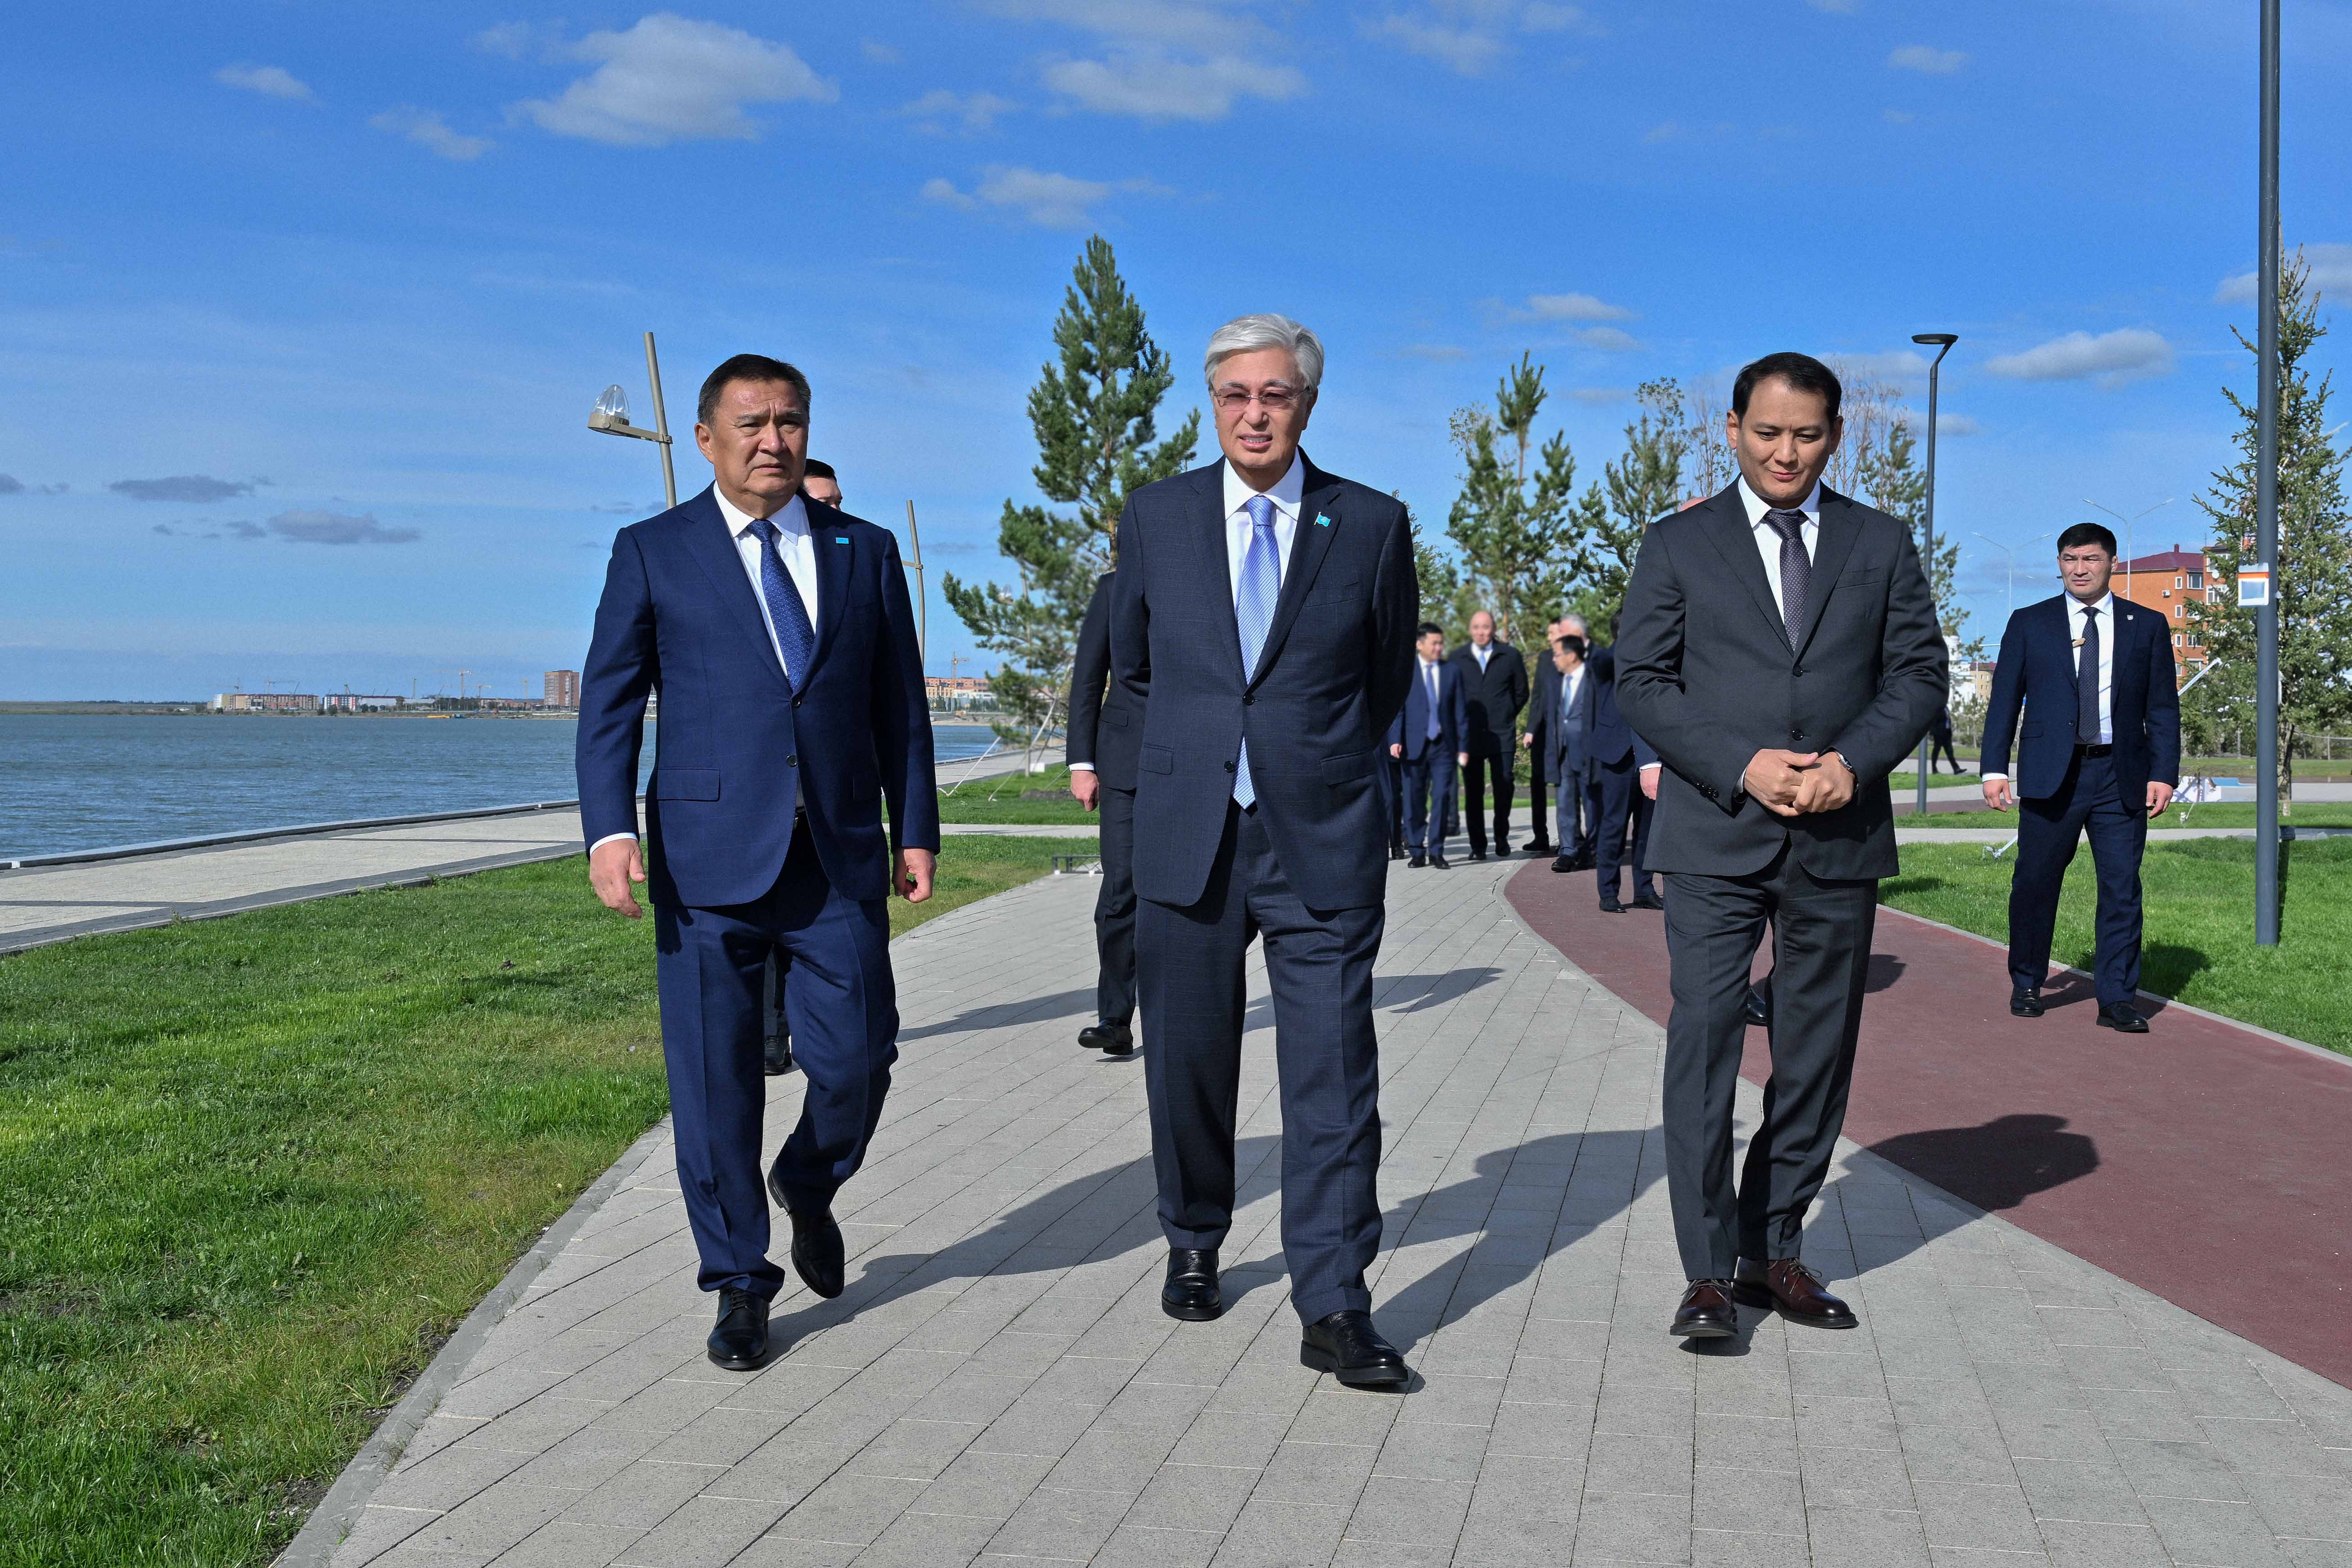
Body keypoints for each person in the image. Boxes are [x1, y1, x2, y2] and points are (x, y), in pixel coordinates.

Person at [577, 354, 937, 1372]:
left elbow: (899, 704)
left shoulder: (864, 551)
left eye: (789, 420)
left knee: (861, 1055)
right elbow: (609, 700)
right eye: (752, 422)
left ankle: (809, 1180)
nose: (773, 439)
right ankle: (738, 1281)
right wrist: (608, 830)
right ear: (707, 439)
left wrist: (915, 826)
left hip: (836, 855)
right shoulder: (653, 550)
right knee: (714, 1083)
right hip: (704, 859)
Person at [1109, 313, 1418, 1389]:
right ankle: (1194, 1234)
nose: (1254, 413)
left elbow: (1383, 673)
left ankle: (1332, 1300)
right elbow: (1135, 668)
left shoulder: (1369, 523)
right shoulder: (1156, 516)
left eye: (1274, 395)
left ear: (1306, 405)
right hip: (1188, 830)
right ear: (1212, 403)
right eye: (1235, 394)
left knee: (1332, 1074)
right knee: (1188, 1057)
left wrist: (1310, 757)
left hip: (1318, 835)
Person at [1617, 351, 1945, 1341]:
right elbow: (1643, 680)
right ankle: (1707, 1272)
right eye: (1767, 432)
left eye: (1806, 435)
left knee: (1815, 1051)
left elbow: (1919, 675)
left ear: (1836, 435)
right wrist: (1741, 764)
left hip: (1839, 836)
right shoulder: (1678, 543)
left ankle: (1773, 1247)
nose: (1786, 452)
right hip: (1714, 833)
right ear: (1733, 430)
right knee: (1706, 1035)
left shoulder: (1881, 542)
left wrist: (1854, 762)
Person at [1980, 524, 2179, 1031]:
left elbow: (2162, 707)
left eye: (2090, 559)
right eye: (2070, 559)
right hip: (2053, 774)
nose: (2080, 568)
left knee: (2121, 887)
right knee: (2035, 881)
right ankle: (2028, 981)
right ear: (2060, 564)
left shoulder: (2147, 624)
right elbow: (2004, 701)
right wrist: (1994, 768)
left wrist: (2164, 773)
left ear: (2112, 563)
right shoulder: (2030, 622)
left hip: (2121, 774)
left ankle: (2117, 999)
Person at [763, 458, 849, 1079]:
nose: (833, 510)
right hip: (757, 801)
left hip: (833, 809)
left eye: (839, 500)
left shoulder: (854, 561)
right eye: (824, 499)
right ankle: (772, 1035)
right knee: (764, 937)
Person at [1067, 570, 1141, 1055]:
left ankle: (1181, 1010)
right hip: (1125, 763)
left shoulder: (1210, 577)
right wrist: (1082, 763)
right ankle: (1115, 1018)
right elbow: (1089, 679)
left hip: (1198, 764)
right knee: (1120, 889)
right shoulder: (1114, 588)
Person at [1586, 619, 1664, 912]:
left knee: (1647, 829)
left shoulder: (1654, 657)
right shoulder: (1608, 659)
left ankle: (1644, 889)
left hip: (1652, 756)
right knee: (1613, 826)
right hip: (1615, 757)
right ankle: (1608, 892)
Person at [1449, 610, 1531, 861]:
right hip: (1470, 736)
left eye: (1485, 627)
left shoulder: (1510, 655)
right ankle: (1478, 846)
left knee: (1504, 784)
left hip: (1502, 734)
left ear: (1493, 629)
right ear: (1470, 630)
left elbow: (1522, 692)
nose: (1481, 632)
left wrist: (1506, 714)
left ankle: (1501, 836)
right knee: (1473, 792)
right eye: (1476, 627)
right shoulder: (1457, 658)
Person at [1388, 623, 1470, 869]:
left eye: (1441, 643)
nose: (1439, 648)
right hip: (1413, 746)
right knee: (1414, 800)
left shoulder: (1452, 672)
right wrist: (1395, 739)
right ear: (1419, 644)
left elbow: (1460, 712)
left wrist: (1463, 747)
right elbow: (1397, 709)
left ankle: (1437, 851)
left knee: (1442, 797)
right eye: (1434, 643)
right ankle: (1416, 850)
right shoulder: (1405, 672)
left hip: (1444, 746)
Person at [1545, 633, 1595, 875]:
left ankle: (1592, 849)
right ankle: (1567, 851)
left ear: (1572, 656)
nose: (1554, 659)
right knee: (1564, 803)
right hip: (1562, 751)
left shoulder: (1595, 679)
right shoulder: (1556, 681)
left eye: (1558, 655)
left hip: (1589, 753)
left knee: (1592, 804)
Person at [1521, 616, 1565, 854]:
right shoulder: (1545, 658)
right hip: (1542, 732)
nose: (1549, 638)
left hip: (1566, 732)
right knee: (1537, 783)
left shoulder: (1577, 657)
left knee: (1565, 784)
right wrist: (1530, 730)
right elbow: (1537, 696)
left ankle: (1570, 840)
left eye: (1552, 633)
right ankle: (1541, 837)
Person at [1928, 705, 1962, 776]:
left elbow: (1948, 720)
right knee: (1936, 752)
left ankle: (1956, 769)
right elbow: (1933, 720)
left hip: (1947, 734)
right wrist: (1932, 733)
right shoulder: (1938, 708)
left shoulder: (1946, 708)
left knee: (1950, 752)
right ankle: (1934, 770)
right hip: (1939, 734)